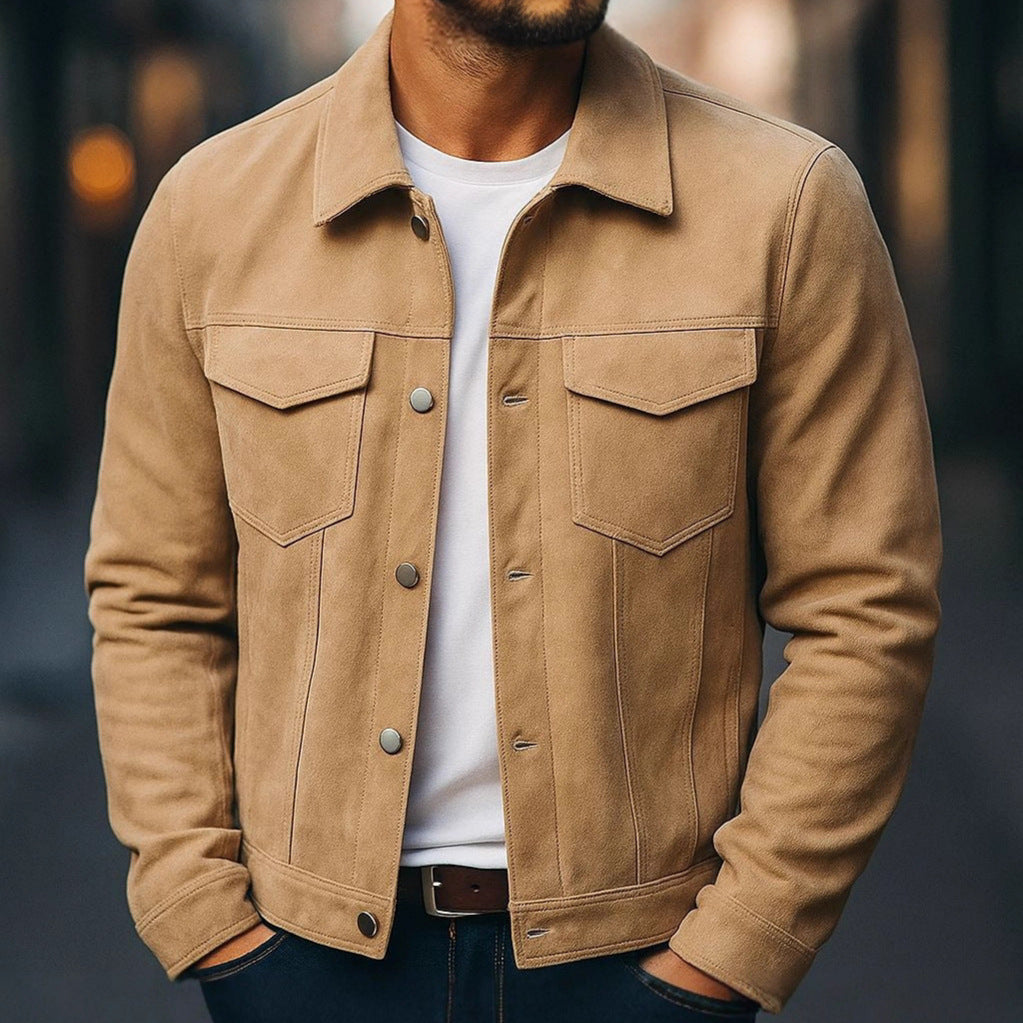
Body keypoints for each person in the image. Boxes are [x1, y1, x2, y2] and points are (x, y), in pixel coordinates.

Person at [83, 0, 943, 1020]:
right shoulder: (213, 210)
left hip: (639, 964)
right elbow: (155, 596)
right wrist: (208, 923)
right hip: (305, 964)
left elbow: (864, 606)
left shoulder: (783, 204)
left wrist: (732, 952)